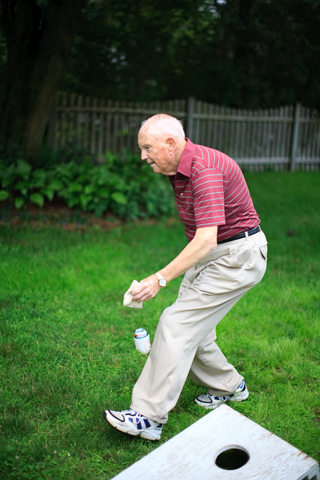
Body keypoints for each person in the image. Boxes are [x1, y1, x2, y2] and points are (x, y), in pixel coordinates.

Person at [104, 114, 268, 441]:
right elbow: (205, 240)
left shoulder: (203, 169)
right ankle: (230, 387)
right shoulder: (179, 166)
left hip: (236, 257)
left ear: (170, 143)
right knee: (197, 331)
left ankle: (147, 417)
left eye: (147, 147)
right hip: (217, 253)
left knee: (175, 324)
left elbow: (206, 238)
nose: (142, 156)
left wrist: (159, 279)